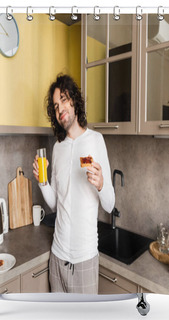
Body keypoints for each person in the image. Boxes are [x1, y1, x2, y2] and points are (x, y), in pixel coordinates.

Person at [33, 74, 115, 294]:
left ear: (74, 100)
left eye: (64, 100)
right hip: (57, 258)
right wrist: (42, 181)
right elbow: (55, 205)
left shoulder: (96, 141)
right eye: (56, 106)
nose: (60, 109)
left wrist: (101, 185)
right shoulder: (58, 148)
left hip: (85, 260)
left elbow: (109, 204)